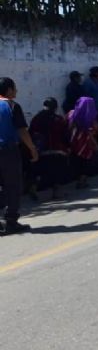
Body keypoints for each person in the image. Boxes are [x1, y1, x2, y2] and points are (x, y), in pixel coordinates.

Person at [0, 78, 38, 234]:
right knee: (13, 185)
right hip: (8, 150)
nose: (16, 91)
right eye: (15, 88)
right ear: (9, 90)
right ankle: (11, 221)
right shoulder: (12, 106)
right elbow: (22, 130)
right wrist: (32, 148)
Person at [28, 97, 69, 201]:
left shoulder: (36, 118)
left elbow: (30, 133)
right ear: (55, 108)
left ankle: (33, 187)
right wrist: (67, 147)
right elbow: (65, 135)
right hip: (56, 151)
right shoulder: (58, 119)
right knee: (56, 171)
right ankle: (56, 192)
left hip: (40, 151)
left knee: (40, 171)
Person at [67, 96, 98, 190]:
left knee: (77, 161)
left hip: (74, 141)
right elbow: (95, 128)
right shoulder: (91, 115)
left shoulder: (71, 113)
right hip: (86, 142)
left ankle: (78, 179)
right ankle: (82, 180)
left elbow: (68, 126)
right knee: (87, 161)